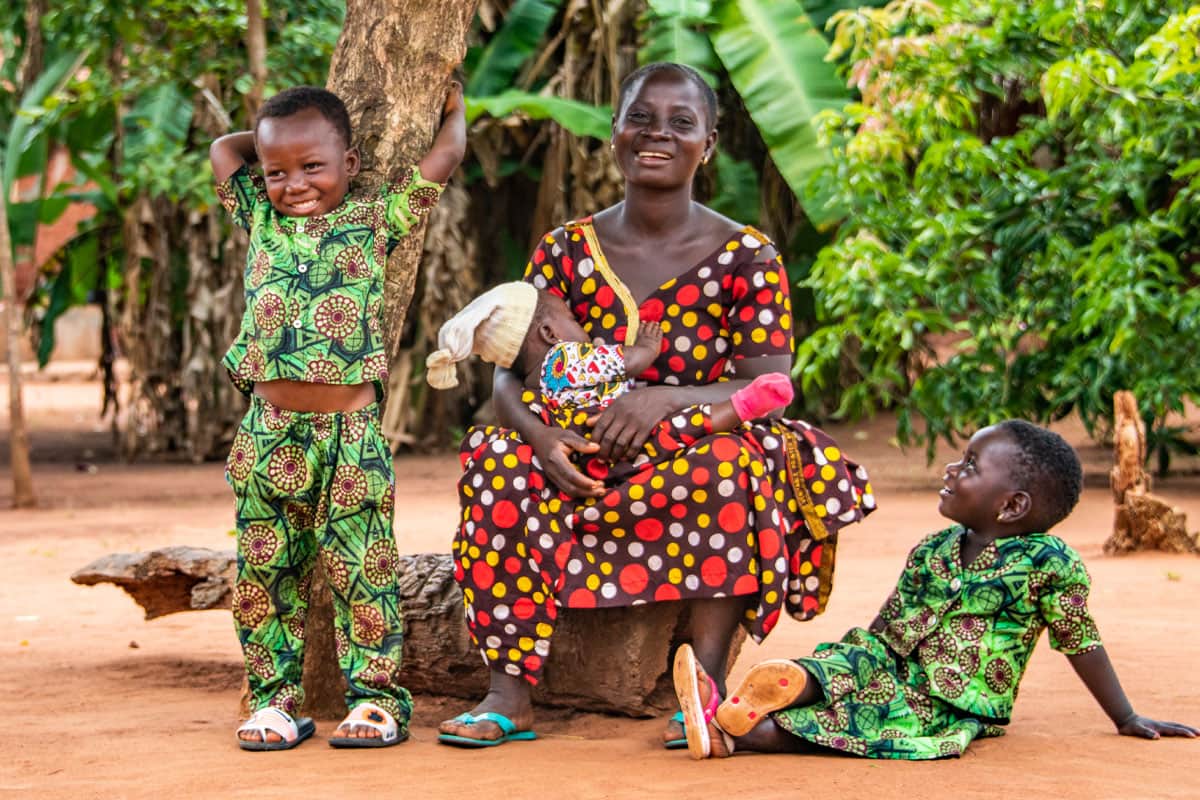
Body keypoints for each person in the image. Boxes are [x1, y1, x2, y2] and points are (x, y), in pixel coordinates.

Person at [436, 62, 876, 749]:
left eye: (681, 123)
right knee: (496, 461)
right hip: (575, 454)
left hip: (687, 449)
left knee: (733, 464)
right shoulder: (564, 251)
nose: (657, 135)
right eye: (640, 117)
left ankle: (700, 689)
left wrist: (659, 402)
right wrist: (544, 444)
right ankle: (508, 695)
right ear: (613, 131)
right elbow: (509, 380)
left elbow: (769, 383)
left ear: (709, 143)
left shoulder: (748, 256)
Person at [672, 420, 1200, 760]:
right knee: (844, 668)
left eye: (970, 465)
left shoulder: (1049, 563)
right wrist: (852, 661)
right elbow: (887, 622)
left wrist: (1124, 715)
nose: (952, 469)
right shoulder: (935, 547)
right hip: (889, 659)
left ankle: (736, 729)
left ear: (1012, 506)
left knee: (874, 721)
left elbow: (1081, 640)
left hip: (949, 699)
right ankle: (782, 686)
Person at [210, 84, 466, 750]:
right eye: (277, 172)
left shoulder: (376, 216)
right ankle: (274, 701)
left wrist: (454, 107)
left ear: (350, 164)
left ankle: (377, 699)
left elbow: (447, 154)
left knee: (364, 570)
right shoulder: (259, 217)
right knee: (266, 575)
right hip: (269, 432)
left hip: (351, 435)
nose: (293, 184)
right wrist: (275, 140)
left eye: (313, 166)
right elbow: (222, 151)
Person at [424, 281, 797, 492]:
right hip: (619, 433)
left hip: (585, 447)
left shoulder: (537, 379)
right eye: (572, 317)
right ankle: (741, 405)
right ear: (550, 334)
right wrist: (648, 348)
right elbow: (626, 362)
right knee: (681, 427)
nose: (581, 325)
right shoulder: (568, 360)